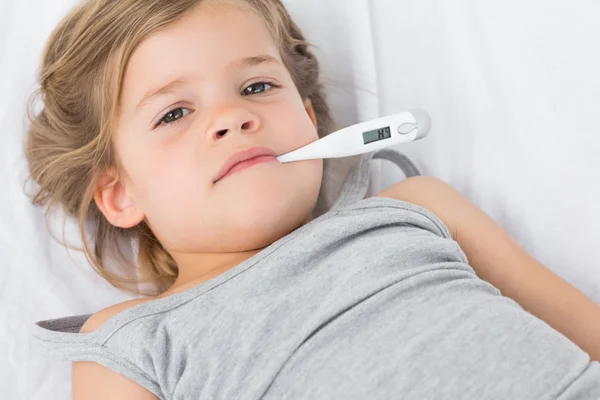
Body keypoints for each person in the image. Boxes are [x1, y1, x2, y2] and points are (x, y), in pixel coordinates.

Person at [27, 0, 600, 398]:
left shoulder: (416, 207)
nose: (232, 116)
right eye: (174, 113)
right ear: (120, 195)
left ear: (308, 118)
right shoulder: (129, 337)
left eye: (256, 86)